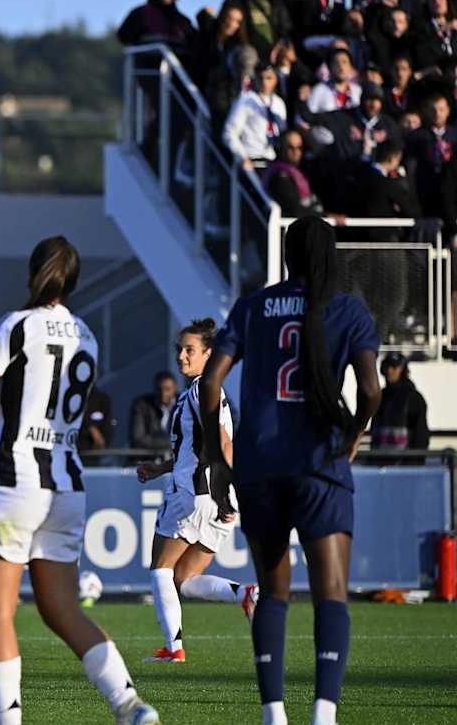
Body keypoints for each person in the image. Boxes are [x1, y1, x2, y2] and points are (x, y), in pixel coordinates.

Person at [0, 237, 159, 725]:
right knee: (63, 609)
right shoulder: (87, 335)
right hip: (65, 483)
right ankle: (130, 704)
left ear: (33, 273)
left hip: (13, 481)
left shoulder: (16, 325)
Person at [199, 216, 382, 725]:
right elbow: (370, 391)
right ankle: (324, 713)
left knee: (273, 592)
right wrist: (354, 434)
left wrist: (217, 455)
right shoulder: (349, 311)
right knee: (331, 593)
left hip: (259, 468)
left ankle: (273, 714)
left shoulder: (253, 307)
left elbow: (212, 382)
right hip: (319, 466)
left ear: (287, 255)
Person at [134, 318, 257, 664]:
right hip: (215, 496)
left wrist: (220, 487)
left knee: (160, 569)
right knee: (184, 578)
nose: (182, 356)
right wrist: (158, 468)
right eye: (179, 350)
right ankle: (245, 594)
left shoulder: (204, 389)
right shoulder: (206, 391)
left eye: (190, 350)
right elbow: (202, 449)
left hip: (195, 495)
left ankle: (173, 649)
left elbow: (224, 443)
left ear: (209, 354)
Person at [224, 63, 288, 169]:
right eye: (260, 78)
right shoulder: (246, 100)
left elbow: (282, 132)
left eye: (269, 78)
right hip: (251, 160)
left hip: (272, 161)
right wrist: (242, 157)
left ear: (276, 80)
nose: (264, 82)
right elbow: (229, 132)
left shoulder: (279, 103)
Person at [404, 93, 457, 218]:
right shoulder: (417, 136)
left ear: (448, 111)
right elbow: (411, 167)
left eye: (441, 109)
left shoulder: (454, 135)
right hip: (426, 191)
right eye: (433, 110)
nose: (437, 113)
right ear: (426, 111)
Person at [369, 352, 430, 461]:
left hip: (404, 467)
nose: (389, 371)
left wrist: (414, 464)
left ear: (402, 370)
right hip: (379, 465)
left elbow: (421, 436)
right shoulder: (380, 397)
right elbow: (374, 431)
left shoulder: (414, 398)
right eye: (387, 366)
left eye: (394, 367)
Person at [118, 0, 197, 63]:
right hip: (149, 67)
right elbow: (124, 36)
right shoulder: (141, 14)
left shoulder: (182, 21)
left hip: (180, 67)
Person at [265, 129, 328, 216]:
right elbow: (294, 209)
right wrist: (326, 216)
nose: (296, 152)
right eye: (291, 147)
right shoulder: (279, 176)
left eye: (299, 147)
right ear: (281, 148)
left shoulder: (297, 172)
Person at [129, 371, 178, 455]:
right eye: (159, 389)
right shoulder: (142, 405)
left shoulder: (184, 404)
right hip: (147, 458)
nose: (163, 393)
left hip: (178, 458)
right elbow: (138, 439)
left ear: (175, 388)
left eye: (167, 389)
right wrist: (173, 442)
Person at [307, 48, 363, 113]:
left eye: (344, 62)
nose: (340, 66)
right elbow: (304, 119)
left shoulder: (358, 91)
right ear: (329, 68)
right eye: (336, 62)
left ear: (351, 67)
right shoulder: (319, 90)